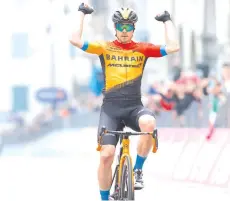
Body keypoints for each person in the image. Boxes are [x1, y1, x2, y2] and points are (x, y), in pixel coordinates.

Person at [69, 3, 179, 200]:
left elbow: (174, 47)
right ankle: (104, 198)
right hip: (111, 110)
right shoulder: (104, 47)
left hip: (134, 107)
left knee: (149, 124)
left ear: (134, 29)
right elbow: (74, 39)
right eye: (121, 27)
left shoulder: (142, 49)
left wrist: (167, 20)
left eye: (129, 27)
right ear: (115, 28)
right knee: (106, 156)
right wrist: (81, 12)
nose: (125, 31)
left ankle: (137, 170)